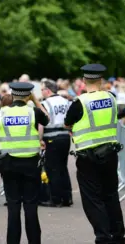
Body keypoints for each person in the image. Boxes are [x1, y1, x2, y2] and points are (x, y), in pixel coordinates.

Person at [0, 82, 50, 244]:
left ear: (12, 93)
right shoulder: (33, 111)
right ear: (28, 96)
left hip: (9, 164)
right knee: (31, 204)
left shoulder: (1, 112)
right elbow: (47, 119)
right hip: (30, 163)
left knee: (13, 204)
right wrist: (36, 101)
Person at [64, 64, 125, 244]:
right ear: (101, 80)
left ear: (84, 81)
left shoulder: (79, 102)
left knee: (93, 200)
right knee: (111, 197)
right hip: (109, 153)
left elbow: (68, 123)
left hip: (88, 157)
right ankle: (118, 243)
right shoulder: (111, 97)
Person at [39, 79, 72, 207]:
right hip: (65, 137)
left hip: (51, 138)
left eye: (42, 90)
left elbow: (41, 123)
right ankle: (67, 197)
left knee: (53, 168)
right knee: (63, 167)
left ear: (47, 90)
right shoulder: (66, 102)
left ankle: (55, 199)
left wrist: (40, 139)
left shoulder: (45, 104)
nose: (41, 92)